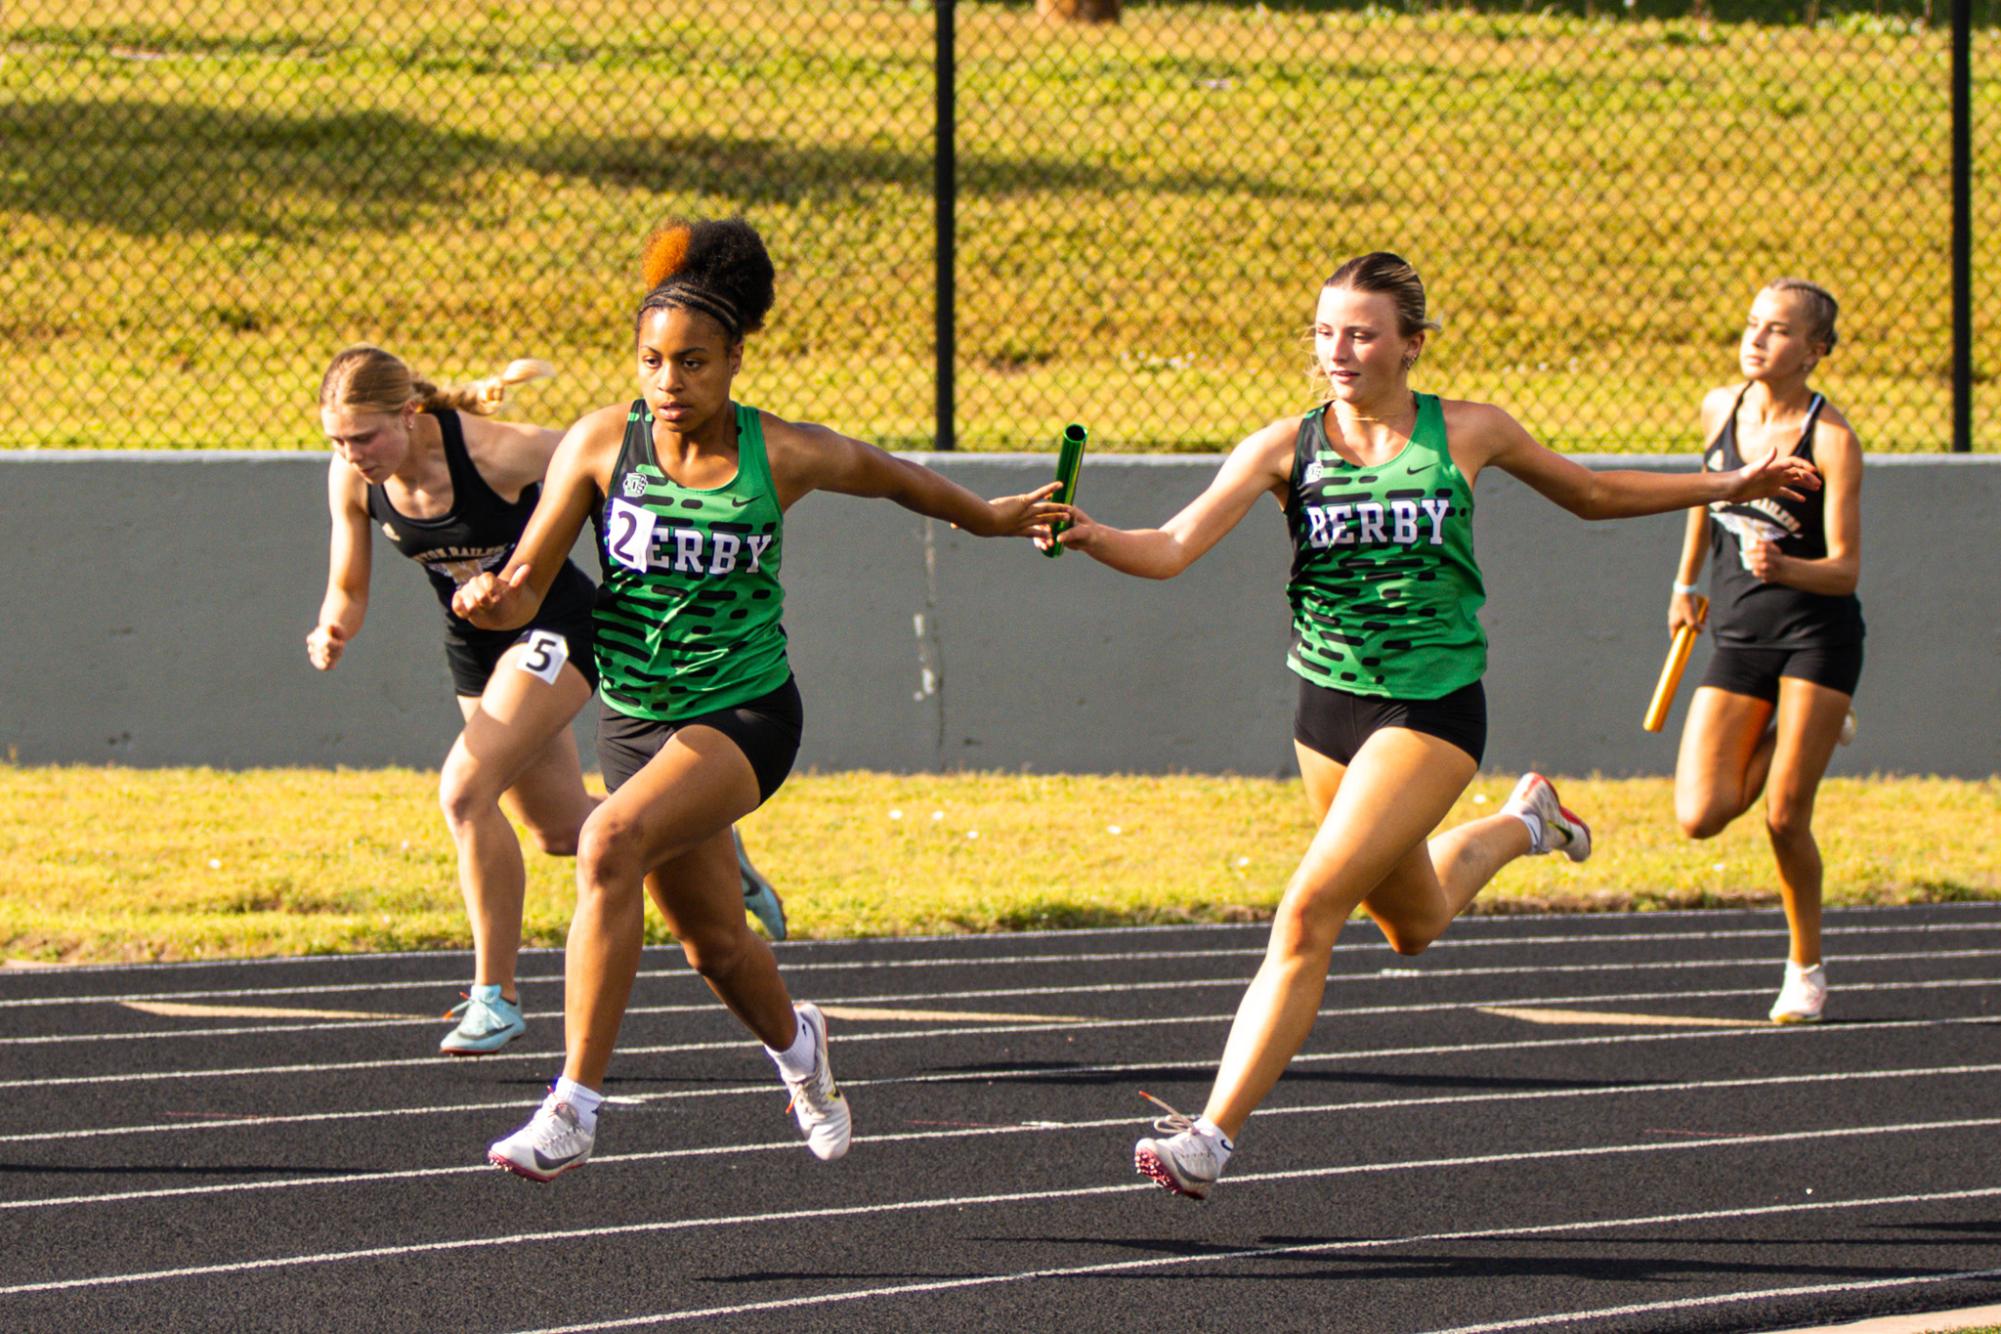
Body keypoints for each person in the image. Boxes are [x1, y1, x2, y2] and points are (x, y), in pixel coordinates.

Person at [1037, 252, 1821, 1201]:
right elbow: (1168, 548)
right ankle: (1527, 823)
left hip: (1431, 707)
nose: (1338, 350)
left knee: (1306, 910)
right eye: (1324, 331)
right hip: (1326, 709)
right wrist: (1089, 534)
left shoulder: (1470, 431)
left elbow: (1592, 493)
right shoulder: (1282, 448)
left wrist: (1726, 488)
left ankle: (1211, 1136)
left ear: (1411, 345)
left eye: (1361, 333)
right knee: (1409, 924)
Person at [453, 216, 1062, 1180]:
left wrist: (991, 517)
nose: (669, 382)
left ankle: (572, 1107)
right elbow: (529, 583)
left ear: (736, 359)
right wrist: (492, 596)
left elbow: (897, 479)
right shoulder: (601, 443)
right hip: (637, 717)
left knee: (605, 841)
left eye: (693, 363)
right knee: (715, 950)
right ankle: (801, 1051)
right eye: (652, 361)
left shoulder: (782, 453)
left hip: (746, 716)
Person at [310, 348, 790, 1058]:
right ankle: (700, 835)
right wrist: (333, 629)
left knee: (465, 792)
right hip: (474, 643)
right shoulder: (352, 481)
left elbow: (609, 465)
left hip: (554, 624)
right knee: (561, 832)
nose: (353, 455)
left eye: (364, 437)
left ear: (410, 415)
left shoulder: (502, 453)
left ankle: (494, 999)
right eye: (337, 442)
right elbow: (348, 584)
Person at [1668, 279, 1862, 1026]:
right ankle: (1794, 730)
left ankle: (1804, 968)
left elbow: (1843, 569)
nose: (1756, 339)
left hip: (1816, 637)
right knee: (1699, 814)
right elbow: (1702, 495)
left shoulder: (1832, 440)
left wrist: (1786, 569)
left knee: (1784, 815)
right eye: (1751, 324)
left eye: (1778, 330)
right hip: (1738, 637)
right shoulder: (1721, 408)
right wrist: (1686, 581)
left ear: (1813, 351)